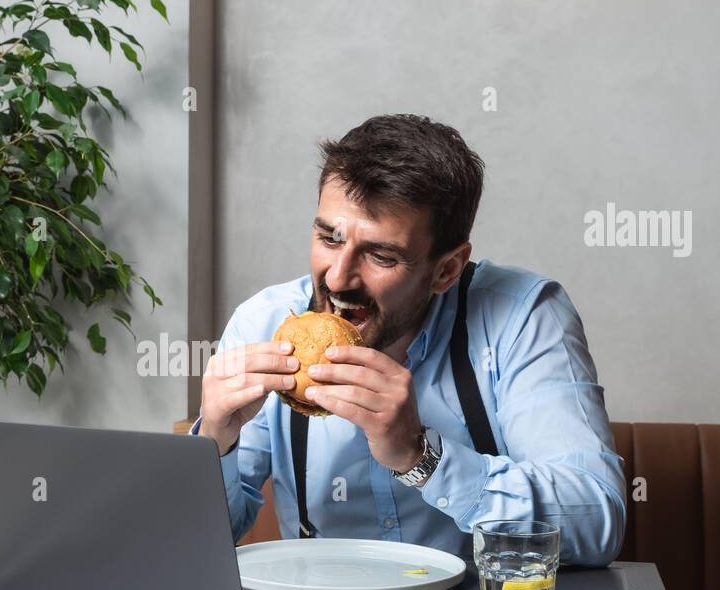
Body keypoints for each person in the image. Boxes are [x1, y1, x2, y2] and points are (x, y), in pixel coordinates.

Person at [190, 114, 625, 566]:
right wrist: (216, 442)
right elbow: (197, 549)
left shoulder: (521, 316)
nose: (338, 278)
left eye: (381, 255)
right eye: (328, 238)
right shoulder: (262, 322)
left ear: (447, 270)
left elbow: (596, 522)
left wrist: (421, 456)